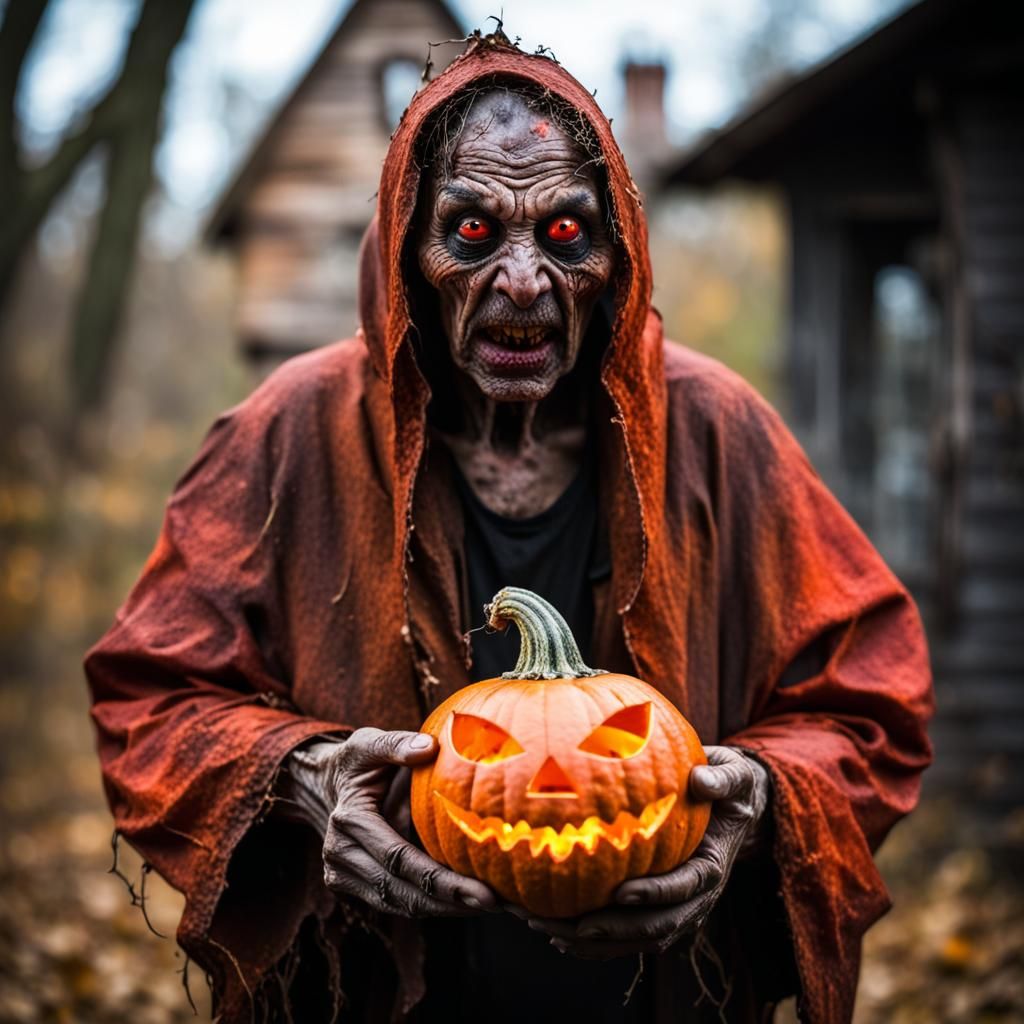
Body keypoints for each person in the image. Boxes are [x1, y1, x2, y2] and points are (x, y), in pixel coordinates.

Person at [85, 31, 933, 1024]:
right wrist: (303, 778)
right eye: (475, 232)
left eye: (566, 234)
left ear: (618, 260)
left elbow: (871, 701)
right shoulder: (290, 432)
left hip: (655, 997)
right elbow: (151, 696)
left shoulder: (718, 432)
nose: (525, 280)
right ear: (408, 254)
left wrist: (756, 799)